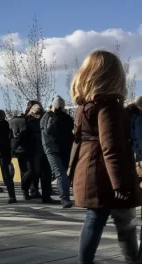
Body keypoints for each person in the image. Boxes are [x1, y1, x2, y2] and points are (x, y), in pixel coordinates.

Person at [72, 51, 142, 264]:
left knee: (96, 219)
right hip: (106, 174)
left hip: (91, 170)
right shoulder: (109, 106)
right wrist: (119, 184)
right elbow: (110, 148)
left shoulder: (86, 104)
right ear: (113, 74)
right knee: (124, 224)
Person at [42, 95, 74, 208]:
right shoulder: (48, 116)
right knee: (61, 174)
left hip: (61, 148)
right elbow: (48, 130)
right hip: (52, 149)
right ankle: (65, 198)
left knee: (62, 173)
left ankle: (62, 196)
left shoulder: (65, 118)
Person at [22, 103, 56, 204]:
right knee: (33, 171)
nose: (39, 114)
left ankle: (46, 197)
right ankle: (25, 189)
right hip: (34, 150)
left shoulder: (41, 120)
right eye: (37, 112)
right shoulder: (28, 121)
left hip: (43, 149)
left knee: (46, 173)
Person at [0, 110, 17, 203]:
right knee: (7, 171)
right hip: (7, 150)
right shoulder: (7, 125)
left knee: (5, 172)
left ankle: (11, 195)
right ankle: (12, 194)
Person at [9, 108, 31, 200]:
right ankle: (25, 191)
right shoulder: (25, 121)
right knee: (24, 169)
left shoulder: (10, 122)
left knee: (11, 169)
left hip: (13, 148)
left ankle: (12, 191)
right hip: (24, 148)